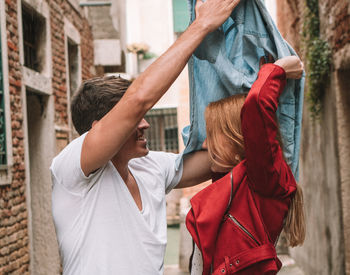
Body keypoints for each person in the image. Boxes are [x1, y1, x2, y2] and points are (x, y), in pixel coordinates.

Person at [50, 0, 242, 274]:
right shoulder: (72, 172)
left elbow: (219, 158)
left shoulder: (149, 167)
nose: (145, 124)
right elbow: (139, 99)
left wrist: (267, 85)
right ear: (100, 128)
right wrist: (201, 25)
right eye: (133, 120)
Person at [186, 56, 306, 275]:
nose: (204, 144)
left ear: (237, 138)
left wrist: (276, 71)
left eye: (212, 135)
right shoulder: (234, 186)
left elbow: (257, 105)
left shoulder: (263, 180)